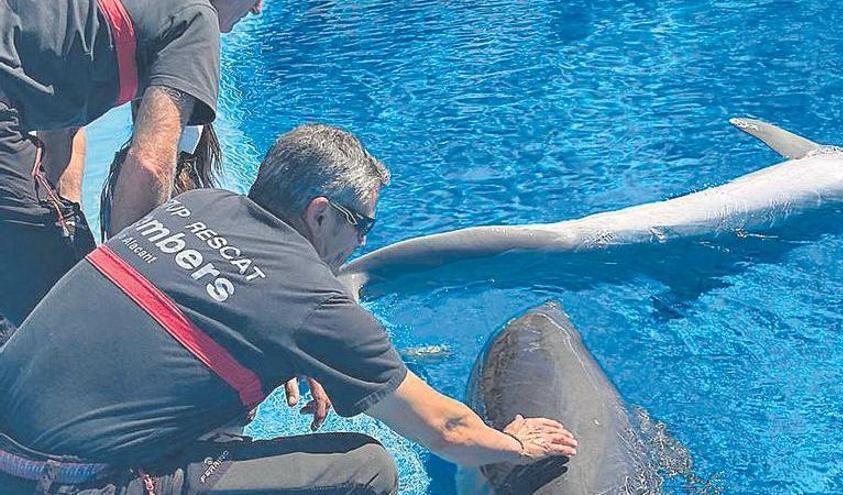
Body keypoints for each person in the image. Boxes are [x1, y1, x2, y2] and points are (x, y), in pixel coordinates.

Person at [0, 124, 578, 494]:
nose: (362, 245)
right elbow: (447, 429)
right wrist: (516, 444)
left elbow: (214, 299)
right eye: (362, 225)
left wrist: (300, 354)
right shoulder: (313, 301)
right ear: (321, 214)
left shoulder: (202, 204)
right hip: (62, 482)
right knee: (367, 467)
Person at [0, 0, 262, 329]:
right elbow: (150, 163)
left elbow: (59, 132)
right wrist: (125, 298)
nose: (259, 9)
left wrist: (65, 222)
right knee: (78, 320)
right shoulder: (196, 18)